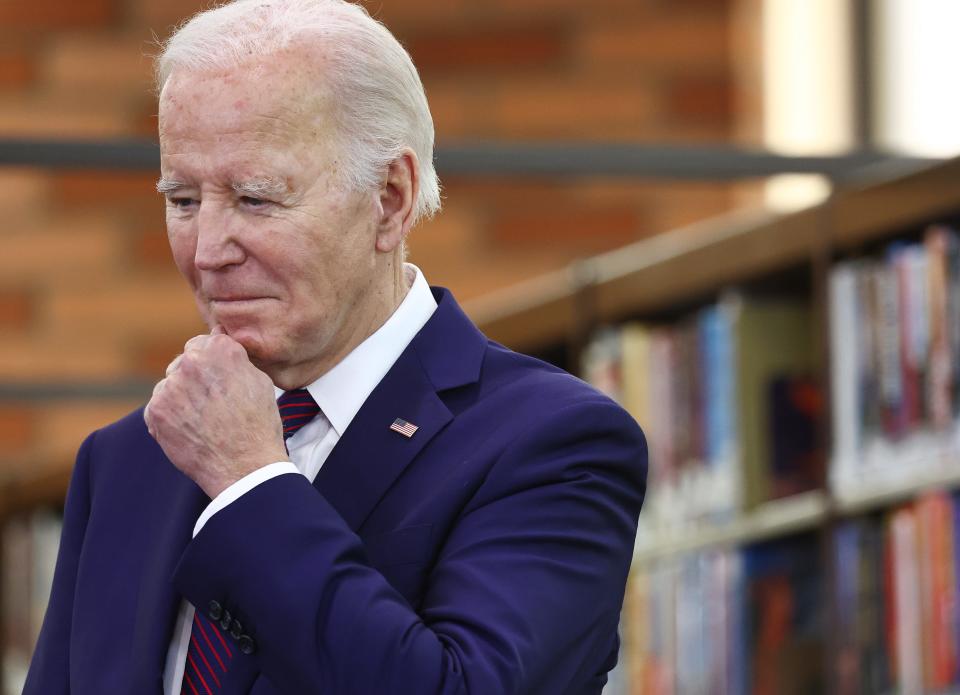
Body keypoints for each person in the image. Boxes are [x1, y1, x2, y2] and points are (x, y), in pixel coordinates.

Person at [24, 1, 647, 693]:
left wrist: (250, 482)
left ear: (390, 197)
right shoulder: (126, 460)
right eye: (183, 199)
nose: (206, 252)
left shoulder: (552, 442)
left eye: (255, 199)